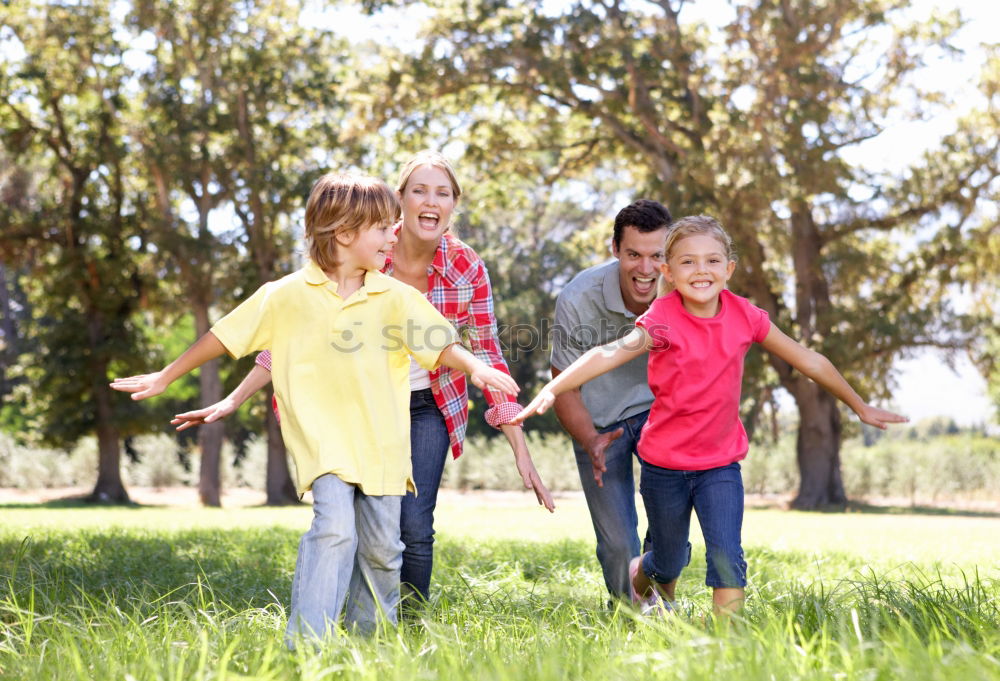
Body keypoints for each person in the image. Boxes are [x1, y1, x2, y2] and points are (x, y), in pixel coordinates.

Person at [111, 172, 521, 640]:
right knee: (335, 530)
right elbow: (223, 338)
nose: (394, 234)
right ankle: (309, 644)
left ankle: (367, 642)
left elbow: (441, 343)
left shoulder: (395, 296)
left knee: (384, 549)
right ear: (345, 234)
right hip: (324, 442)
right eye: (384, 227)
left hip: (385, 447)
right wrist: (167, 375)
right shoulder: (284, 295)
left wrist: (477, 369)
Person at [514, 215, 908, 614]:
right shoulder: (661, 318)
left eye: (712, 261)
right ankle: (642, 571)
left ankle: (726, 655)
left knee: (727, 559)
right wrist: (552, 388)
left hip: (720, 465)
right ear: (669, 271)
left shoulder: (746, 316)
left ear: (729, 269)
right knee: (667, 561)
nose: (701, 270)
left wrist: (859, 405)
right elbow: (608, 353)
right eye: (687, 262)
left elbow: (808, 360)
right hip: (664, 466)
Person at [549, 199, 671, 599]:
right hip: (599, 422)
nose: (646, 268)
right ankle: (632, 616)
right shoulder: (578, 298)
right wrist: (590, 438)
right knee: (618, 544)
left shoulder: (685, 289)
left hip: (663, 418)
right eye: (634, 254)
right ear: (614, 249)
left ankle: (660, 610)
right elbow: (564, 384)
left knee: (670, 531)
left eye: (657, 256)